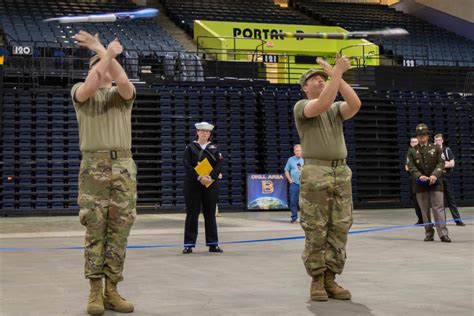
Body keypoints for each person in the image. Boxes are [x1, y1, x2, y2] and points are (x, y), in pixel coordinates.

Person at [71, 31, 136, 315]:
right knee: (95, 230)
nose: (106, 70)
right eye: (101, 66)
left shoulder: (121, 97)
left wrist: (108, 58)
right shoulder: (80, 94)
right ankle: (94, 291)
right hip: (93, 168)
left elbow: (123, 82)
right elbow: (88, 86)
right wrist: (103, 51)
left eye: (109, 66)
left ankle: (112, 289)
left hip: (123, 167)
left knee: (119, 232)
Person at [294, 55, 361, 302]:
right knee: (316, 228)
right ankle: (317, 280)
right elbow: (322, 103)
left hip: (340, 172)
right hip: (316, 173)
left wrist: (337, 75)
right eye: (314, 79)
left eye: (322, 78)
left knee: (340, 227)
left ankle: (331, 278)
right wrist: (336, 75)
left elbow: (354, 103)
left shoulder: (335, 110)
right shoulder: (302, 106)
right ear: (304, 87)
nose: (320, 81)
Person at [182, 122, 224, 254]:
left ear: (210, 134)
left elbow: (219, 165)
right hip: (193, 185)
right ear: (197, 132)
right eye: (202, 131)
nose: (205, 133)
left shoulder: (215, 148)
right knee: (192, 215)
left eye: (207, 131)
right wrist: (199, 178)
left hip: (210, 185)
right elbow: (187, 165)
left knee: (210, 214)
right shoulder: (190, 148)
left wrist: (210, 177)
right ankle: (188, 245)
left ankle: (213, 244)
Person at [407, 124, 451, 243]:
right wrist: (420, 176)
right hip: (420, 184)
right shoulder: (412, 150)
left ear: (427, 135)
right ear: (417, 136)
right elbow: (411, 166)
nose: (422, 137)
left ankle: (443, 234)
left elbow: (441, 163)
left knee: (438, 208)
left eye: (424, 134)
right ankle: (429, 233)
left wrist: (434, 175)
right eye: (419, 135)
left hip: (435, 182)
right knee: (424, 210)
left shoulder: (436, 148)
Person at [434, 133, 465, 226]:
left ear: (442, 141)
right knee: (439, 202)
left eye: (439, 140)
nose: (437, 142)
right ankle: (441, 221)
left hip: (446, 177)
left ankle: (458, 220)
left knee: (451, 199)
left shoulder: (447, 150)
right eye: (436, 140)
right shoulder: (433, 152)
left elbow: (452, 164)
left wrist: (441, 165)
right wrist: (444, 164)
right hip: (437, 178)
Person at [405, 137, 423, 224]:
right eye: (412, 142)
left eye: (416, 141)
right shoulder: (409, 153)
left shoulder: (423, 151)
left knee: (424, 200)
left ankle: (427, 219)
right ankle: (420, 219)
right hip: (413, 178)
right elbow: (407, 167)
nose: (414, 143)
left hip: (423, 177)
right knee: (415, 200)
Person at [284, 144, 304, 223]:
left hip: (304, 184)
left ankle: (304, 218)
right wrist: (289, 179)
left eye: (299, 150)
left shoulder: (306, 159)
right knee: (293, 201)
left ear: (302, 151)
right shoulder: (290, 160)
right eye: (296, 151)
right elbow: (286, 170)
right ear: (294, 151)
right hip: (294, 183)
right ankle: (294, 217)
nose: (298, 152)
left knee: (304, 202)